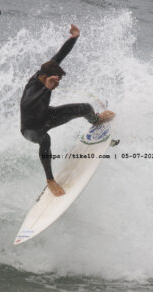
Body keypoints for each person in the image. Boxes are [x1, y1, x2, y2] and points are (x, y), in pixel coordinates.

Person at [20, 24, 115, 196]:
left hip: (47, 116)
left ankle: (95, 119)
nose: (57, 83)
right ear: (43, 78)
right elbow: (27, 104)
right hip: (31, 128)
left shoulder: (47, 70)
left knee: (85, 108)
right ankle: (50, 180)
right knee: (45, 139)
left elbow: (60, 55)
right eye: (54, 81)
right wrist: (46, 89)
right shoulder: (32, 86)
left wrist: (74, 37)